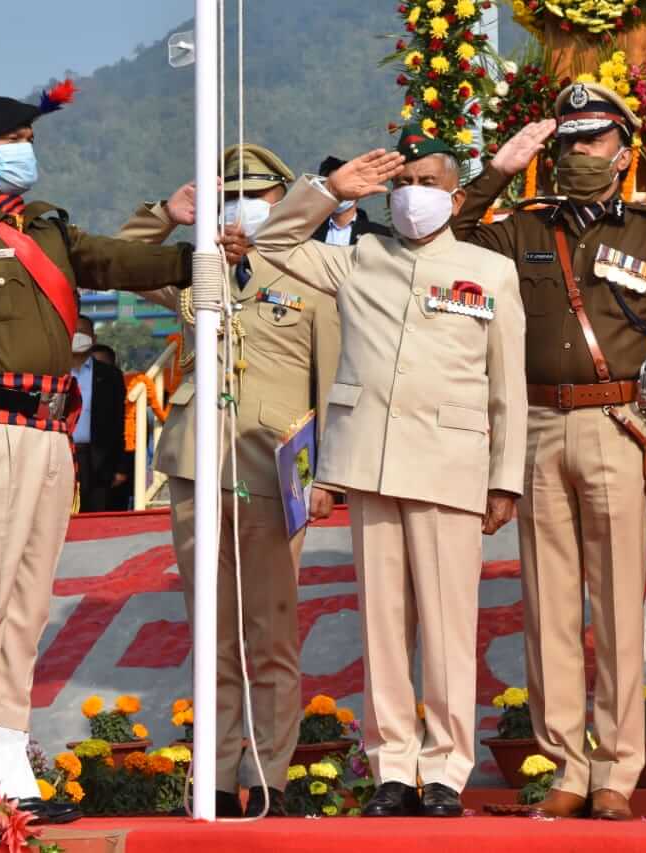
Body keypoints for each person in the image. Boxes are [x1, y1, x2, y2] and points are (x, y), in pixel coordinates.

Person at [0, 85, 192, 823]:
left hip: (51, 433)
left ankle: (8, 774)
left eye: (30, 136)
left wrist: (195, 259)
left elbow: (114, 261)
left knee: (24, 608)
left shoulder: (51, 227)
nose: (26, 150)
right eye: (13, 138)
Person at [239, 128, 527, 818]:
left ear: (454, 197)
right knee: (383, 627)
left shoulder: (489, 272)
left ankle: (447, 771)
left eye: (428, 183)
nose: (413, 196)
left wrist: (504, 477)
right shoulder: (360, 256)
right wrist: (329, 192)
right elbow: (273, 245)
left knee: (451, 628)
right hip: (369, 461)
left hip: (452, 466)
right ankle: (393, 766)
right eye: (403, 184)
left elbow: (507, 385)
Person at [450, 83, 646, 819]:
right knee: (549, 607)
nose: (574, 153)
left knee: (618, 607)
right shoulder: (523, 227)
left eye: (590, 140)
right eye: (566, 141)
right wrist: (501, 169)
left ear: (624, 153)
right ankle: (567, 763)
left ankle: (618, 773)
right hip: (536, 427)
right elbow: (450, 238)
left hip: (616, 426)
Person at [116, 143, 341, 817]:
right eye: (231, 194)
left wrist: (328, 474)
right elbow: (123, 259)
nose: (243, 206)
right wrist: (168, 212)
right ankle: (214, 773)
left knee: (270, 630)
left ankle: (268, 772)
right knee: (211, 629)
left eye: (257, 195)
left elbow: (329, 383)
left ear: (281, 204)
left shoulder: (313, 280)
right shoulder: (195, 273)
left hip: (277, 468)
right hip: (197, 464)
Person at [70, 315, 131, 512]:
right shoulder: (54, 371)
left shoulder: (110, 375)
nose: (78, 337)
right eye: (74, 331)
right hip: (62, 455)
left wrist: (121, 466)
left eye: (83, 333)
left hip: (98, 459)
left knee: (95, 515)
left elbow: (119, 421)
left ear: (93, 339)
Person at [311, 156, 392, 245]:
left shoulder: (381, 236)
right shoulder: (309, 232)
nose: (340, 193)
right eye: (334, 187)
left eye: (346, 186)